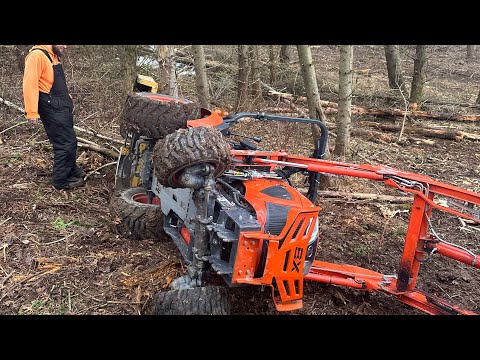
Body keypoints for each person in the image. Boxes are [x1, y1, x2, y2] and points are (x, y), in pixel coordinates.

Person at [22, 45, 85, 190]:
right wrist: (31, 112)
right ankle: (61, 181)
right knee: (64, 143)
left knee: (70, 140)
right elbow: (29, 84)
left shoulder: (53, 56)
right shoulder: (36, 56)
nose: (65, 46)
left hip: (61, 106)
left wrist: (68, 99)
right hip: (51, 107)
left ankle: (70, 169)